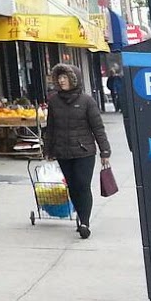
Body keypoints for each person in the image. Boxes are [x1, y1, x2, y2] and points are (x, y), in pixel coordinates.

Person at [43, 63, 111, 239]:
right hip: (63, 151)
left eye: (65, 77)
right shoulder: (54, 101)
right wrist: (48, 149)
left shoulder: (87, 101)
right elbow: (50, 127)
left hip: (84, 151)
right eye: (60, 78)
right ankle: (81, 217)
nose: (62, 80)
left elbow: (98, 127)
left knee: (82, 184)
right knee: (72, 186)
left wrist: (105, 151)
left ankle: (85, 222)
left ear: (74, 80)